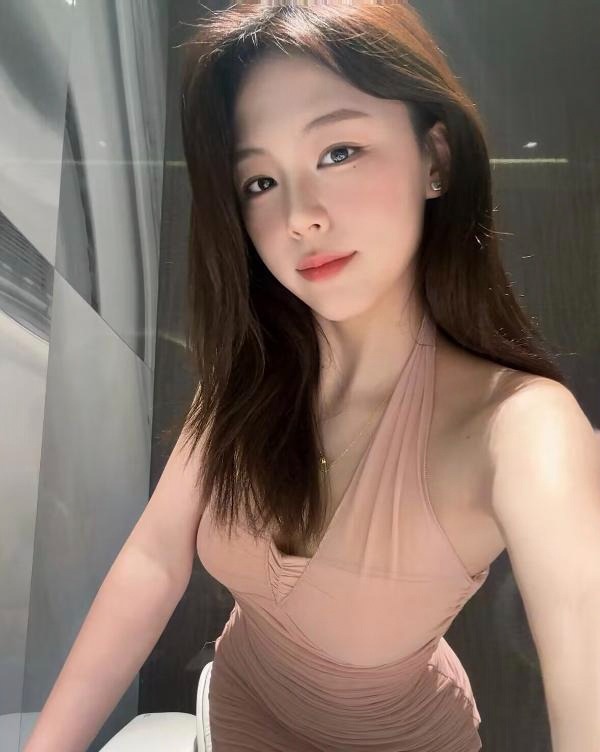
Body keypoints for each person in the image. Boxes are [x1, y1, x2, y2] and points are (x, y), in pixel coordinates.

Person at [25, 3, 600, 752]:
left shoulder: (521, 425)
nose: (299, 216)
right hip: (237, 712)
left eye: (338, 151)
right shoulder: (246, 378)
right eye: (260, 181)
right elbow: (152, 560)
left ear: (435, 159)